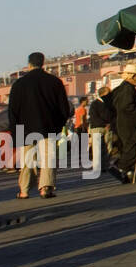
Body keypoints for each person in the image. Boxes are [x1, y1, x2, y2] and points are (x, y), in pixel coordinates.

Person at [8, 52, 72, 200]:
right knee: (48, 158)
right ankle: (45, 188)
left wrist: (15, 131)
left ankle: (24, 191)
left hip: (25, 130)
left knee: (27, 161)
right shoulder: (54, 82)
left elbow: (13, 111)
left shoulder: (19, 84)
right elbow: (63, 108)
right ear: (43, 63)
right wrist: (58, 125)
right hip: (48, 127)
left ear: (29, 64)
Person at [109, 64, 136, 184]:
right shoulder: (127, 89)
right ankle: (120, 167)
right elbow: (126, 106)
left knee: (130, 147)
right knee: (133, 148)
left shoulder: (120, 89)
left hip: (123, 123)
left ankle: (129, 175)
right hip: (130, 124)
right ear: (133, 76)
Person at [87, 85, 115, 170]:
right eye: (108, 93)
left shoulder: (110, 104)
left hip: (108, 128)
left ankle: (105, 165)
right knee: (97, 148)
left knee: (108, 147)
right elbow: (94, 117)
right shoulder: (95, 104)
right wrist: (104, 124)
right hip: (97, 128)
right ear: (103, 94)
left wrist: (110, 123)